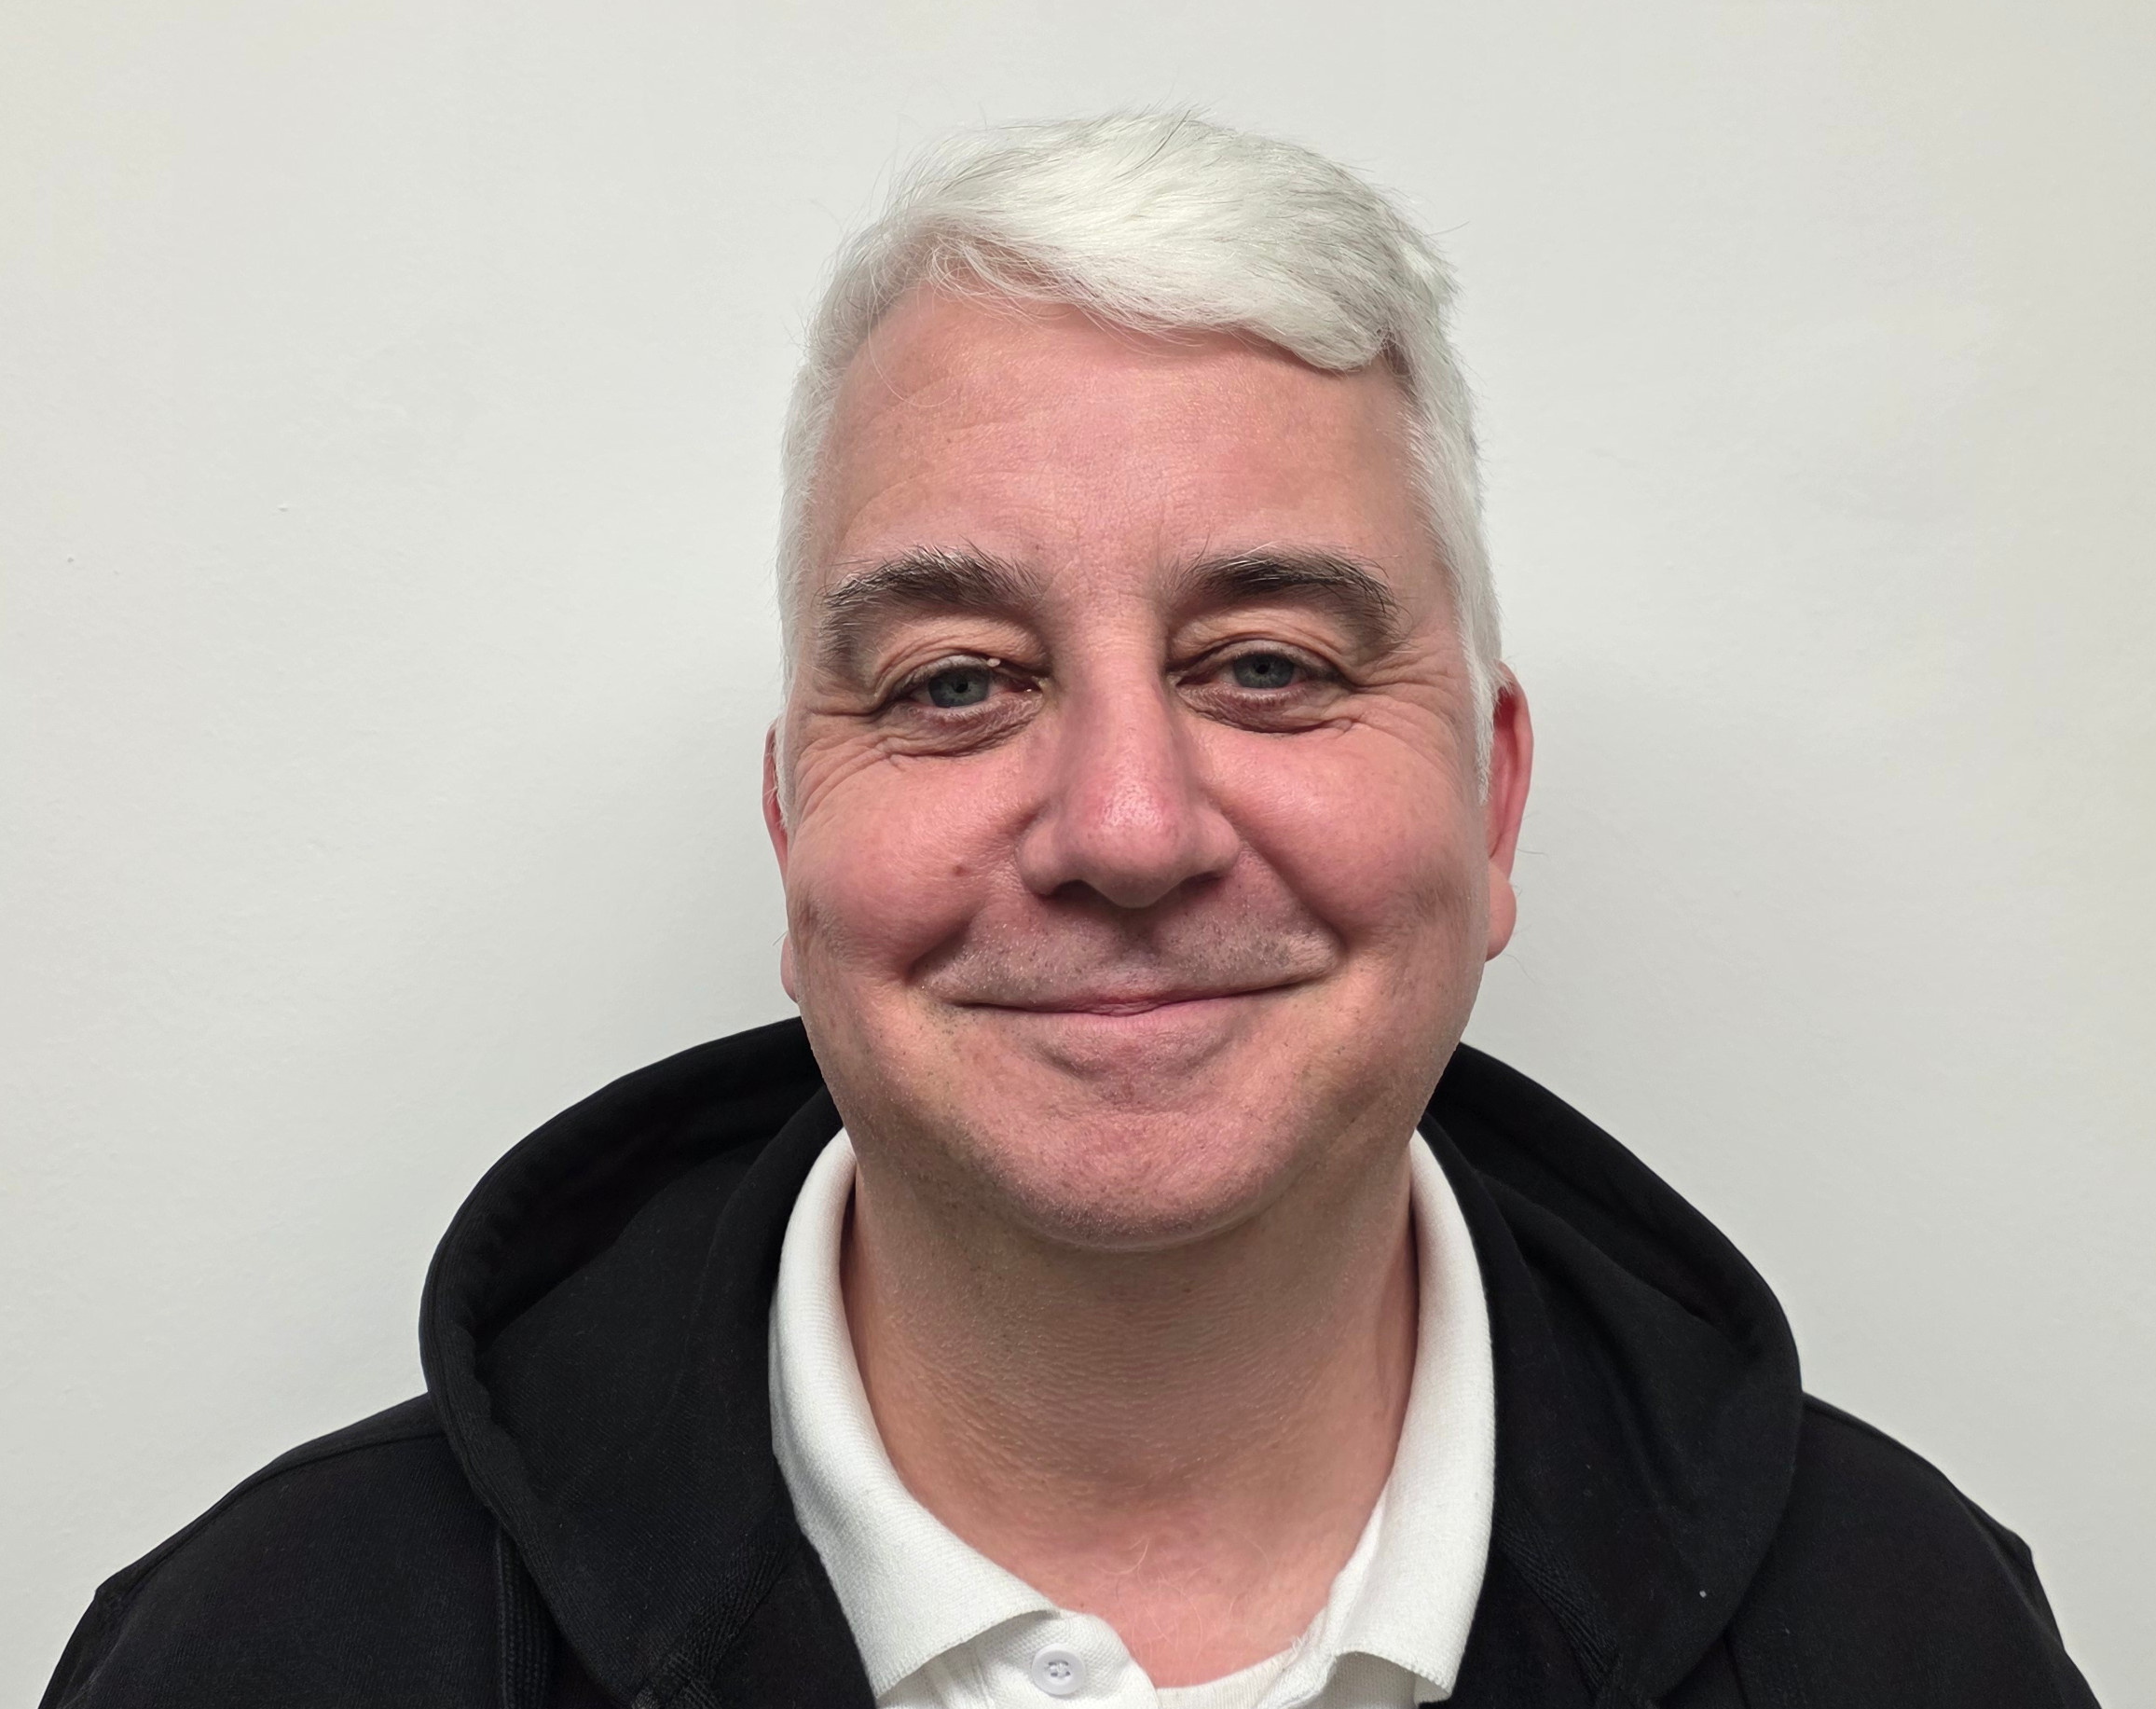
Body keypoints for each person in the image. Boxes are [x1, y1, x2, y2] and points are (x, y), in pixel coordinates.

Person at [39, 113, 2095, 1709]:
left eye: (1267, 662)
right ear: (788, 831)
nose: (1124, 827)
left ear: (1493, 799)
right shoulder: (272, 1648)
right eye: (955, 682)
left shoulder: (1902, 1635)